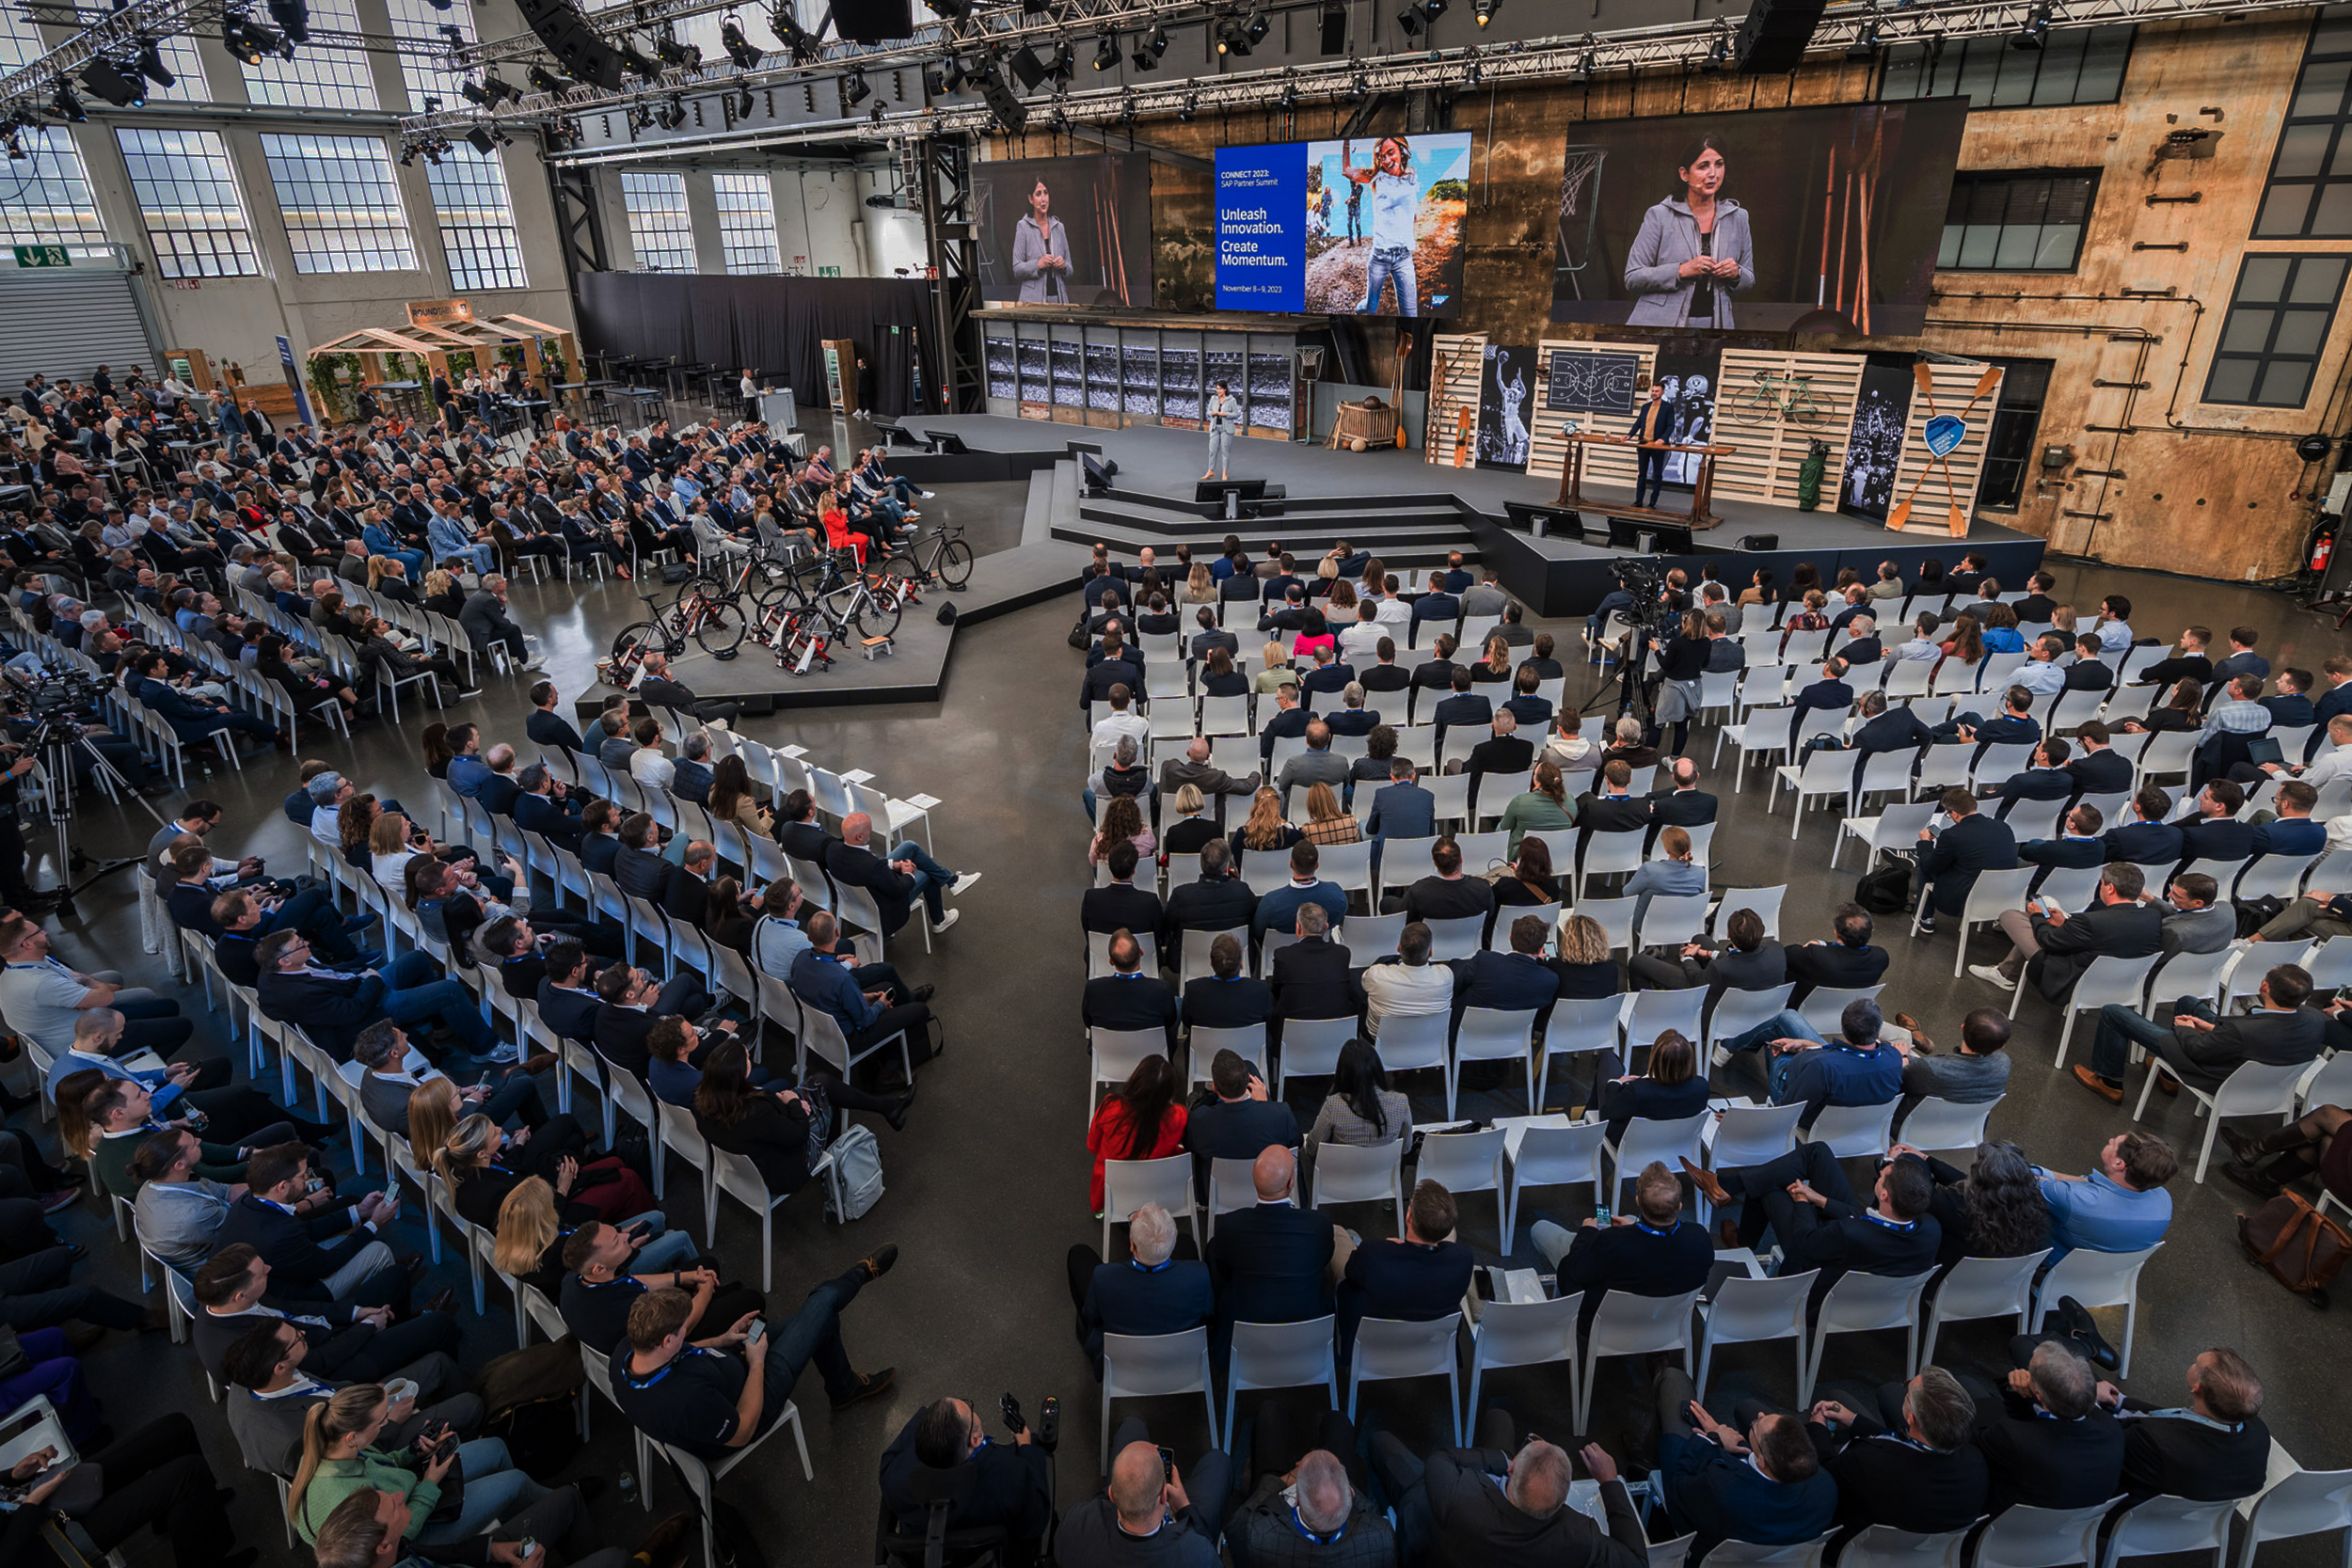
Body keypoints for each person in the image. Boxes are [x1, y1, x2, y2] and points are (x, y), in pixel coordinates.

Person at [612, 1259, 898, 1460]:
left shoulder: (629, 1350)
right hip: (756, 1400)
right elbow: (743, 1430)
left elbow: (687, 1349)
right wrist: (758, 1362)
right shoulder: (685, 1399)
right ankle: (860, 1274)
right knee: (822, 1305)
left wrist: (722, 1339)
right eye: (682, 1329)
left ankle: (843, 1387)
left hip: (733, 1361)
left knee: (819, 1321)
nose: (686, 1331)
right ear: (667, 1340)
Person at [283, 1382, 552, 1546]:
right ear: (352, 1437)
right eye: (381, 1422)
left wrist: (414, 1451)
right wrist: (429, 1483)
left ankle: (521, 1518)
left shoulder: (331, 1449)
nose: (387, 1423)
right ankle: (555, 1507)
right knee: (514, 1481)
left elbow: (387, 1465)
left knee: (495, 1447)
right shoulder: (350, 1498)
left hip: (412, 1491)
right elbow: (402, 1534)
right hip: (417, 1533)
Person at [1682, 1141, 1939, 1305]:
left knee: (1771, 1188)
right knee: (1818, 1153)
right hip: (1861, 1248)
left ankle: (1741, 1234)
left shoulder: (1848, 1232)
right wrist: (1822, 1199)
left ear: (1884, 1195)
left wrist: (1804, 1201)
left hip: (1812, 1268)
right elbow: (1862, 1217)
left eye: (1882, 1175)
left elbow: (1804, 1245)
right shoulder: (1929, 1229)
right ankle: (1725, 1187)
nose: (1880, 1172)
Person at [2077, 962, 2324, 1104]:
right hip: (2255, 1066)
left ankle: (2109, 1081)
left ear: (2264, 986)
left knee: (2113, 1012)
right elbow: (2247, 1036)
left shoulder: (2242, 1030)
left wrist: (2186, 1030)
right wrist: (2212, 1029)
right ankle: (2165, 1074)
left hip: (2211, 1068)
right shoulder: (2315, 1018)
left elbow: (2198, 1050)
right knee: (2188, 1002)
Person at [1650, 1372, 1838, 1557]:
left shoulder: (1721, 1485)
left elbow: (1680, 1485)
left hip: (1704, 1533)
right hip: (1770, 1548)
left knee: (1673, 1380)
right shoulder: (1825, 1488)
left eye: (1756, 1428)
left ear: (1761, 1460)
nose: (1761, 1414)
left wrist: (1712, 1439)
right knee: (1747, 1408)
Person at [695, 1036, 909, 1196]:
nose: (750, 1060)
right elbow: (797, 1134)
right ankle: (841, 1156)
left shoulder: (703, 1105)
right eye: (747, 1060)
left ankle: (886, 1107)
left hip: (747, 1166)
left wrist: (786, 1103)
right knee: (826, 1092)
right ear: (739, 1076)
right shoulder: (755, 1111)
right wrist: (794, 1105)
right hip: (787, 1168)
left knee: (820, 1083)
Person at [1804, 1369, 1989, 1539]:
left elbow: (1826, 1471)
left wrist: (1817, 1427)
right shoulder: (1975, 1462)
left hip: (1861, 1549)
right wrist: (1853, 1420)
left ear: (1911, 1417)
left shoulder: (1866, 1462)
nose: (1903, 1391)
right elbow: (1900, 1445)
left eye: (1907, 1393)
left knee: (1837, 1396)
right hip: (1928, 1555)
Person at [1536, 1158, 1713, 1333]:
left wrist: (1587, 1232)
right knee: (1630, 1218)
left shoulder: (1611, 1242)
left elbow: (1572, 1273)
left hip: (1604, 1326)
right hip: (1664, 1322)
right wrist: (1634, 1227)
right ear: (1680, 1206)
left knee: (1540, 1229)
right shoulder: (1700, 1238)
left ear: (1638, 1200)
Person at [878, 1396, 1055, 1567]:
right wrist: (1026, 1447)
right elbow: (1036, 1522)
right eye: (970, 1408)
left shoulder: (893, 1475)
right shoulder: (1010, 1475)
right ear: (975, 1439)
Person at [1972, 861, 2163, 999]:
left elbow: (2048, 941)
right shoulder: (2153, 917)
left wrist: (2039, 916)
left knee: (2010, 915)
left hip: (2070, 979)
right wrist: (2065, 924)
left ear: (2110, 888)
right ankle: (2005, 970)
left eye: (2102, 884)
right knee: (2043, 914)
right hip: (2123, 984)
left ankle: (2005, 973)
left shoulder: (2090, 921)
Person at [1205, 1145, 1333, 1346]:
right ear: (1291, 1183)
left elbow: (1220, 1268)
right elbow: (1324, 1258)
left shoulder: (1230, 1226)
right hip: (1310, 1332)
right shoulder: (1317, 1225)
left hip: (1243, 1335)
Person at [1067, 1200, 1213, 1377]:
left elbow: (1092, 1314)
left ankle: (1083, 1333)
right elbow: (1208, 1313)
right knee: (1187, 1242)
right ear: (1172, 1245)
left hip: (1122, 1361)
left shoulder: (1104, 1278)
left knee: (1078, 1253)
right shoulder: (1199, 1275)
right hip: (1182, 1357)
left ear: (1132, 1246)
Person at [1625, 134, 1752, 329]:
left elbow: (1749, 279)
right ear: (1684, 174)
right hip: (1659, 326)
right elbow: (1633, 277)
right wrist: (1681, 270)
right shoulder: (1659, 215)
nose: (1713, 173)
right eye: (1703, 166)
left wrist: (1736, 273)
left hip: (1716, 327)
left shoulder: (1738, 217)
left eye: (1719, 164)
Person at [1337, 1178, 1473, 1351]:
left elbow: (1350, 1273)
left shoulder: (1374, 1254)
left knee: (1339, 1236)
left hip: (1373, 1346)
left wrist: (1390, 1247)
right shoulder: (1463, 1259)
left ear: (1409, 1216)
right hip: (1431, 1347)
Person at [1058, 1435, 1227, 1567]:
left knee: (1132, 1425)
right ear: (1163, 1496)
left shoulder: (1075, 1524)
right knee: (1219, 1461)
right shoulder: (1195, 1553)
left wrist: (1126, 1485)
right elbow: (1205, 1546)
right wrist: (1184, 1508)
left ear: (1111, 1494)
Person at [2034, 1131, 2178, 1262]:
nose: (2110, 1140)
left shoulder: (2078, 1199)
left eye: (2114, 1142)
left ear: (2118, 1163)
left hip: (2059, 1267)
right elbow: (2087, 1182)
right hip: (2114, 1274)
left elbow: (2024, 1179)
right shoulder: (2164, 1200)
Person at [1086, 1054, 1186, 1217]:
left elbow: (1092, 1145)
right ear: (1169, 1093)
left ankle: (1101, 1211)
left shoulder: (1111, 1107)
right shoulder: (1178, 1117)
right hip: (1156, 1189)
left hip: (1111, 1190)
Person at [1338, 136, 1426, 316]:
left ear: (1402, 152)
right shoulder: (1376, 177)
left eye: (1390, 153)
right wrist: (1346, 141)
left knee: (1411, 315)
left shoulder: (1411, 176)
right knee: (1370, 308)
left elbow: (1412, 207)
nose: (1386, 160)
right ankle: (1358, 309)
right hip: (1380, 257)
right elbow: (1346, 170)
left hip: (1403, 258)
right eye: (1382, 156)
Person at [1592, 1029, 1711, 1145]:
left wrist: (1615, 1083)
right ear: (1689, 1060)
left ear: (1654, 1056)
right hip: (1677, 1142)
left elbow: (1608, 1113)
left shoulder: (1636, 1092)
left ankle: (1584, 1124)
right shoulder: (1702, 1088)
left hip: (1632, 1145)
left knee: (1608, 1058)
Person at [1011, 176, 1071, 304]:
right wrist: (1038, 264)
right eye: (1038, 194)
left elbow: (1070, 270)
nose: (1043, 199)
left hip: (1059, 300)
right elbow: (1017, 269)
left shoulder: (1059, 227)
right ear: (1030, 199)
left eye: (1046, 193)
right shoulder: (1023, 226)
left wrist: (1063, 265)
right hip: (1032, 301)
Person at [1204, 379, 1240, 482]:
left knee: (1225, 452)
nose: (1218, 390)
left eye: (1220, 389)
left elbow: (1236, 414)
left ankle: (1225, 473)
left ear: (1224, 389)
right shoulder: (1213, 399)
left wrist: (1225, 414)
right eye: (1217, 388)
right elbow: (1208, 411)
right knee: (1212, 451)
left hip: (1226, 429)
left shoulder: (1231, 400)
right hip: (1215, 427)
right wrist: (1213, 413)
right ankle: (1210, 471)